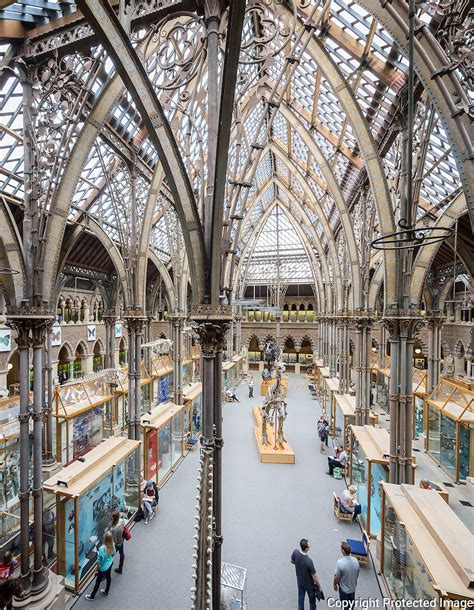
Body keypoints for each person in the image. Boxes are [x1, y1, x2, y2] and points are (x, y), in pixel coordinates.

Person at [290, 539, 323, 610]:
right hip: (309, 585)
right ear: (306, 549)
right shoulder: (309, 561)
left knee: (301, 599)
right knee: (312, 602)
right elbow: (314, 577)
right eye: (309, 546)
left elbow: (292, 561)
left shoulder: (295, 552)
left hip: (300, 581)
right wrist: (319, 586)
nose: (310, 546)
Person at [85, 531, 115, 600]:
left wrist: (96, 570)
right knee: (108, 577)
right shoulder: (113, 544)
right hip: (110, 563)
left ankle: (92, 596)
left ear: (105, 539)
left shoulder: (102, 549)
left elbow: (98, 561)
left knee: (97, 582)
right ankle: (106, 592)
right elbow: (114, 553)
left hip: (103, 568)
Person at [334, 542, 360, 608]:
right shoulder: (355, 560)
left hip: (344, 590)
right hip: (353, 588)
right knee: (351, 605)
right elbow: (357, 573)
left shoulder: (340, 562)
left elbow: (336, 577)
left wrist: (335, 584)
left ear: (343, 551)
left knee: (345, 606)